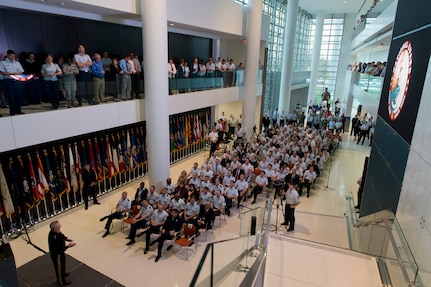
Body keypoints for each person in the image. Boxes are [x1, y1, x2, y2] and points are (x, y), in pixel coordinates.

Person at [48, 220, 76, 286]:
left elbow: (61, 235)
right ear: (55, 228)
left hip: (61, 253)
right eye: (59, 225)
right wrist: (68, 246)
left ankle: (63, 273)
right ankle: (61, 282)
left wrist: (67, 239)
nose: (61, 226)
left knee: (63, 264)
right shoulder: (55, 238)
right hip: (57, 255)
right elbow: (59, 249)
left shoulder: (55, 231)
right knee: (59, 268)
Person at [0, 50, 25, 116]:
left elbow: (21, 71)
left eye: (14, 56)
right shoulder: (3, 63)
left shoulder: (17, 63)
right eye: (11, 55)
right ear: (8, 55)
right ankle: (12, 111)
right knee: (11, 96)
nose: (13, 57)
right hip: (9, 81)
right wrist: (12, 74)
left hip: (17, 80)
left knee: (18, 96)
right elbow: (2, 72)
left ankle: (18, 110)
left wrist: (17, 74)